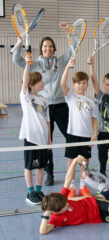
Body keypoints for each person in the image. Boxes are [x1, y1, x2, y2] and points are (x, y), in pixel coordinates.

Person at [13, 22, 74, 186]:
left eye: (50, 46)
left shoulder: (60, 62)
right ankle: (49, 172)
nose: (48, 49)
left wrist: (69, 31)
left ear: (54, 48)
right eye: (45, 46)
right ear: (41, 49)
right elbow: (15, 59)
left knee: (71, 137)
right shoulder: (35, 64)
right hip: (43, 108)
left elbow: (73, 47)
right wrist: (21, 40)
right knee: (47, 141)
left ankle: (72, 168)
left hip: (61, 106)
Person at [60, 57, 98, 199]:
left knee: (85, 163)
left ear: (87, 85)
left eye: (84, 83)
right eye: (78, 83)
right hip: (72, 135)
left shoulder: (91, 102)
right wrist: (68, 65)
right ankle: (71, 187)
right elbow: (62, 83)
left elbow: (94, 119)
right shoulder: (71, 97)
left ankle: (83, 186)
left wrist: (94, 134)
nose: (81, 85)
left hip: (86, 136)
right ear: (74, 85)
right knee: (71, 163)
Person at [19, 55, 51, 205]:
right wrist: (27, 65)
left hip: (43, 139)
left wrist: (49, 140)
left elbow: (47, 121)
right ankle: (30, 192)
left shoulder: (44, 101)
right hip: (31, 138)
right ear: (32, 85)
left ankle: (38, 190)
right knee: (29, 166)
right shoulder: (26, 98)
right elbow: (24, 82)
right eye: (40, 81)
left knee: (41, 166)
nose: (42, 82)